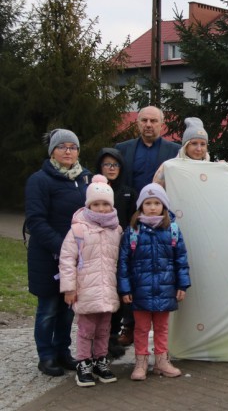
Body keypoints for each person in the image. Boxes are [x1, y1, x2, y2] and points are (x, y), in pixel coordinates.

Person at [25, 129, 92, 377]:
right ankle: (46, 356)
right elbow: (36, 221)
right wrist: (64, 248)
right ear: (52, 151)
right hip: (48, 256)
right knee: (49, 309)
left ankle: (63, 352)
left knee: (68, 309)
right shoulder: (40, 180)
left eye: (72, 147)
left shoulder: (85, 179)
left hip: (77, 258)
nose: (68, 151)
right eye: (62, 146)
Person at [118, 183, 191, 380]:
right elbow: (123, 262)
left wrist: (182, 285)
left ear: (164, 206)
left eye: (156, 203)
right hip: (139, 289)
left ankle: (161, 361)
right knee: (141, 328)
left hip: (165, 288)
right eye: (148, 203)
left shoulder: (172, 230)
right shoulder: (133, 231)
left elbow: (181, 260)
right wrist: (124, 289)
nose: (152, 207)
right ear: (141, 206)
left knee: (162, 328)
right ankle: (141, 362)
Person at [58, 175, 122, 387]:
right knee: (86, 330)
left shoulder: (116, 229)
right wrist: (69, 288)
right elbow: (67, 259)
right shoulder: (78, 229)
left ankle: (100, 361)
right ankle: (83, 363)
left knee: (104, 328)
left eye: (105, 204)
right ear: (88, 204)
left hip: (107, 289)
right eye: (96, 204)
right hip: (86, 289)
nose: (101, 208)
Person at [94, 148, 137, 358]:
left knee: (118, 297)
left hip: (120, 252)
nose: (111, 169)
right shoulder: (93, 190)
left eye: (115, 164)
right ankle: (96, 341)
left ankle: (111, 338)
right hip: (96, 252)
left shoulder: (129, 192)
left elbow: (132, 223)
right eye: (107, 165)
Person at [115, 106, 181, 194]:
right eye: (144, 120)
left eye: (153, 121)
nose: (148, 125)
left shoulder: (176, 151)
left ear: (162, 124)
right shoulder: (122, 149)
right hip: (130, 205)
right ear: (138, 123)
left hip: (162, 205)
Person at [154, 117, 211, 188]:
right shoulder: (168, 168)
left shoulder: (211, 170)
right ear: (185, 146)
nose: (199, 149)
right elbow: (155, 193)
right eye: (194, 143)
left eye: (203, 144)